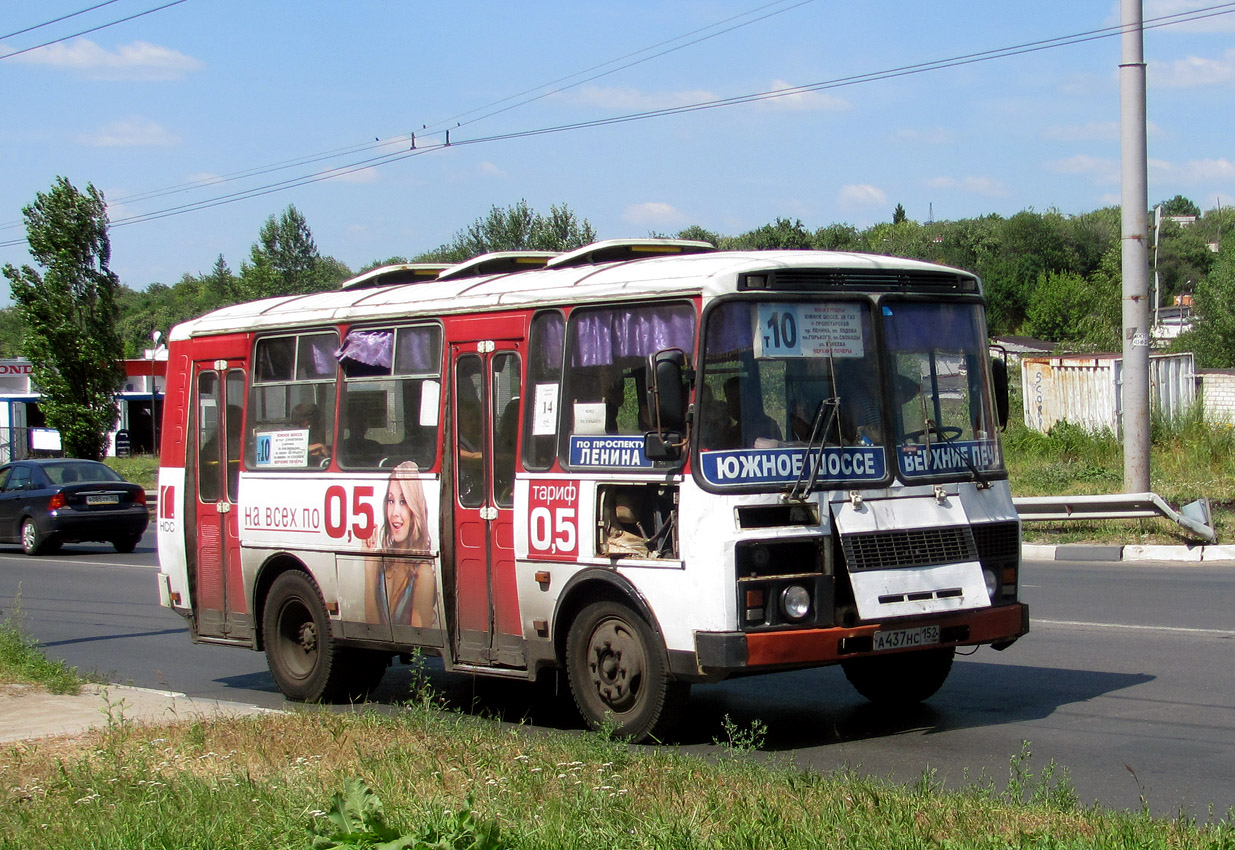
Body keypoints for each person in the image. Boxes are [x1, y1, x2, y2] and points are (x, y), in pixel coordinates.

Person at [364, 462, 436, 628]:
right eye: (391, 500)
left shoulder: (422, 572)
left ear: (414, 507)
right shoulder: (381, 562)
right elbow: (372, 630)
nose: (394, 512)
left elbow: (419, 639)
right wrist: (369, 566)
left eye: (403, 501)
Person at [721, 376, 782, 448]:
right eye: (730, 400)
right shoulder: (733, 433)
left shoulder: (767, 427)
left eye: (737, 399)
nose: (731, 405)